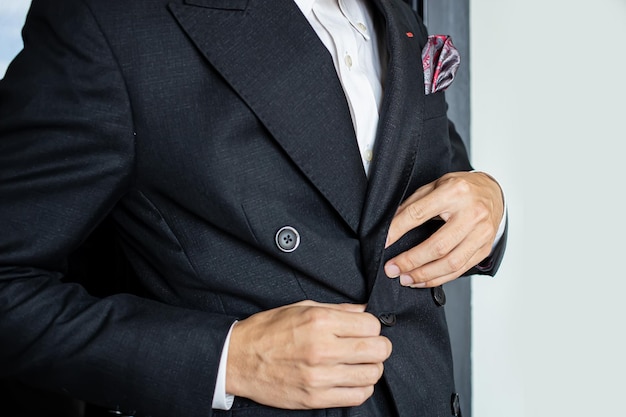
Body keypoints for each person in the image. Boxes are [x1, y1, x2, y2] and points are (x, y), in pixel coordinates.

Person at [0, 0, 507, 416]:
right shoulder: (110, 21)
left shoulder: (396, 8)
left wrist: (491, 203)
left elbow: (431, 170)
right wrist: (226, 360)